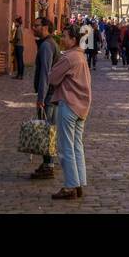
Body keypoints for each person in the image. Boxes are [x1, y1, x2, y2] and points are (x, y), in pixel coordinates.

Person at [48, 23, 92, 200]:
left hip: (69, 104)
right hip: (82, 106)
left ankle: (70, 186)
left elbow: (52, 77)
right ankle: (79, 183)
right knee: (77, 146)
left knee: (66, 147)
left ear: (73, 39)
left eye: (65, 36)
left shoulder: (69, 57)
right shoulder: (81, 56)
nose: (62, 38)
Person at [29, 16, 57, 180]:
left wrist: (41, 97)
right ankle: (47, 163)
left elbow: (46, 74)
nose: (34, 28)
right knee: (48, 130)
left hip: (49, 96)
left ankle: (49, 165)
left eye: (37, 25)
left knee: (47, 131)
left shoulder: (47, 46)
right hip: (51, 95)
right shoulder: (48, 43)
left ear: (45, 27)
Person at [11, 15, 25, 80]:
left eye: (15, 22)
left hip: (19, 46)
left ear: (18, 23)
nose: (15, 23)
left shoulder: (19, 29)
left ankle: (20, 75)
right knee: (20, 61)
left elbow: (18, 38)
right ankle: (20, 74)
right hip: (20, 46)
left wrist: (13, 41)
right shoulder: (21, 28)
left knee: (19, 61)